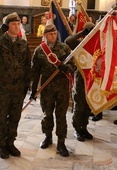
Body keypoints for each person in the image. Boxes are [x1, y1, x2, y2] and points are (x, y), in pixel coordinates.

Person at [0, 12, 31, 159]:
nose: (17, 26)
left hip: (18, 87)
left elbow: (27, 66)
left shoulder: (23, 43)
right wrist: (1, 29)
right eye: (13, 24)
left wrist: (27, 86)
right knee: (1, 116)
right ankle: (2, 145)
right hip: (3, 87)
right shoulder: (0, 41)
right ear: (7, 26)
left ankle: (11, 142)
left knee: (15, 117)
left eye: (18, 24)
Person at [31, 24, 74, 157]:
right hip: (46, 87)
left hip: (61, 86)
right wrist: (33, 89)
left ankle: (61, 142)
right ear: (45, 35)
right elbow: (35, 71)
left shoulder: (64, 48)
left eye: (55, 33)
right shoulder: (39, 51)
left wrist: (66, 68)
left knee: (61, 115)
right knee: (47, 113)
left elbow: (73, 65)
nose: (53, 36)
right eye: (50, 34)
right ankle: (47, 137)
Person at [65, 22, 94, 142]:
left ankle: (84, 127)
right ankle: (77, 129)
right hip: (80, 78)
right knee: (79, 106)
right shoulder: (79, 44)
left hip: (92, 80)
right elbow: (68, 41)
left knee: (88, 106)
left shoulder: (96, 44)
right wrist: (82, 33)